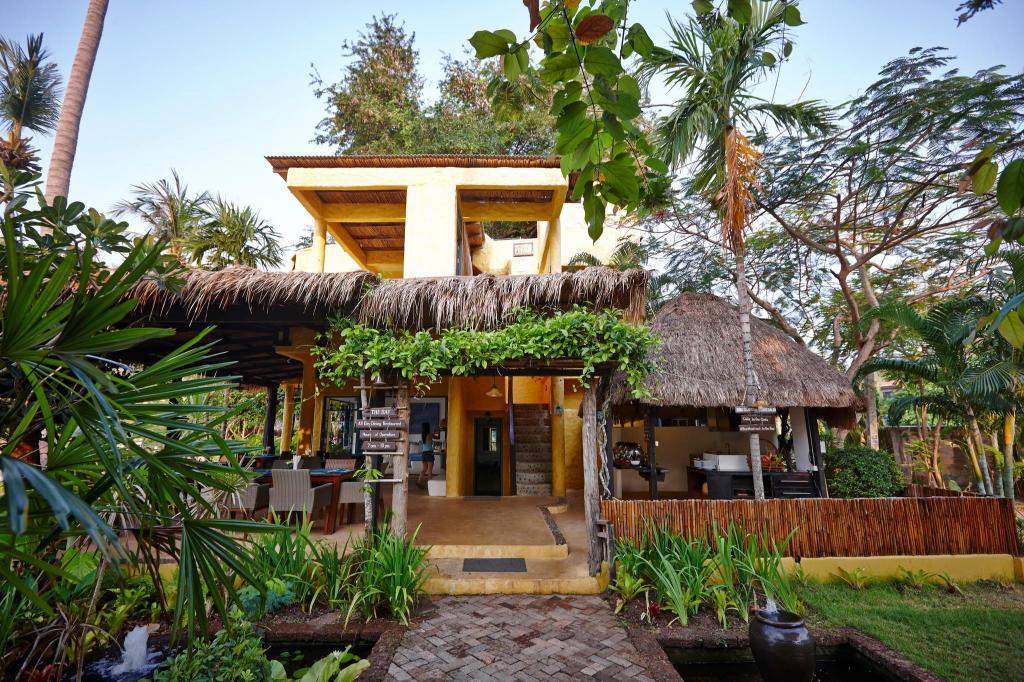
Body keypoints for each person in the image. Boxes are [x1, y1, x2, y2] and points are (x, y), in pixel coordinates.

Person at [416, 422, 435, 490]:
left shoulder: (423, 435)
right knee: (429, 471)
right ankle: (429, 486)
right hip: (429, 453)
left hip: (424, 454)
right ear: (428, 427)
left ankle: (419, 482)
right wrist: (435, 432)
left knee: (424, 469)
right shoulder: (430, 434)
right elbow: (437, 437)